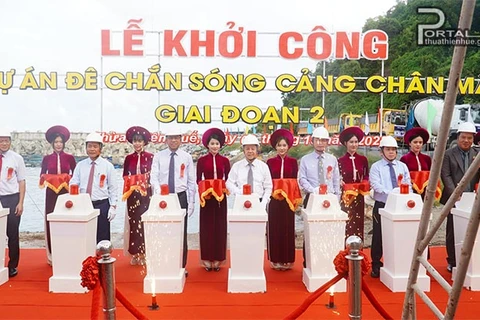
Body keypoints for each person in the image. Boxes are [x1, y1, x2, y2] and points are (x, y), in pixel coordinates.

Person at [150, 128, 196, 275]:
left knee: (181, 232)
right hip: (163, 197)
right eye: (171, 138)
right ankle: (163, 263)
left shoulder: (187, 157)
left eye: (176, 137)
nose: (173, 140)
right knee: (162, 231)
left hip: (180, 197)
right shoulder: (158, 156)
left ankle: (181, 266)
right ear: (166, 139)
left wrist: (192, 201)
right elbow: (154, 177)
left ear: (181, 139)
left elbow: (191, 181)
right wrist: (159, 194)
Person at [369, 135, 411, 278]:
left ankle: (395, 262)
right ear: (382, 151)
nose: (391, 152)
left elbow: (408, 184)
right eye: (388, 149)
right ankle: (376, 263)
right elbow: (376, 185)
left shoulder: (402, 166)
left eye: (394, 149)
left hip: (400, 205)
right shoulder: (376, 167)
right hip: (383, 204)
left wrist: (406, 196)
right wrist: (393, 194)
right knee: (378, 235)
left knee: (398, 234)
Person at [440, 122, 480, 273]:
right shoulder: (449, 154)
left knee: (472, 230)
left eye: (469, 138)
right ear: (458, 137)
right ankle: (452, 261)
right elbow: (445, 175)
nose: (466, 140)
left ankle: (472, 260)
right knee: (453, 230)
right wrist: (456, 194)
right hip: (454, 199)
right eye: (463, 137)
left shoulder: (477, 153)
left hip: (472, 200)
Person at [298, 126, 340, 267]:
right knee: (310, 231)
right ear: (312, 141)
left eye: (323, 140)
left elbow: (335, 180)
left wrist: (337, 199)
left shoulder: (332, 159)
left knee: (329, 231)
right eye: (318, 140)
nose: (320, 143)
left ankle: (327, 262)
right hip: (312, 198)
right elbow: (302, 179)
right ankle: (308, 263)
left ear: (328, 142)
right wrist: (313, 190)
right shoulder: (305, 159)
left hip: (329, 199)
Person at [70, 132, 118, 243]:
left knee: (102, 235)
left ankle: (102, 257)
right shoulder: (80, 166)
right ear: (86, 148)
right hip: (84, 204)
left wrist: (113, 207)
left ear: (100, 148)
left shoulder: (107, 166)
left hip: (102, 204)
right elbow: (73, 183)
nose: (92, 149)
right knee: (84, 235)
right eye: (89, 146)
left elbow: (113, 188)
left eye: (95, 146)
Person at [39, 125, 76, 265]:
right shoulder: (46, 158)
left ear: (64, 143)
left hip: (66, 193)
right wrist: (50, 178)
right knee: (50, 220)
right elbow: (41, 176)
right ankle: (52, 255)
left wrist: (66, 178)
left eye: (60, 142)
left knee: (66, 219)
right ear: (52, 144)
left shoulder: (70, 158)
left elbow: (76, 175)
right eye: (56, 142)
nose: (58, 144)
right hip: (51, 194)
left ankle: (67, 251)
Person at [266, 128, 302, 270]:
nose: (282, 148)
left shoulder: (293, 162)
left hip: (288, 200)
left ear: (288, 146)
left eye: (284, 145)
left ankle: (287, 259)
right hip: (274, 199)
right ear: (275, 146)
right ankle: (275, 259)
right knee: (274, 228)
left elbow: (294, 181)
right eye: (279, 145)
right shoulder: (270, 162)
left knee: (288, 228)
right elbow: (267, 181)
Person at [196, 128, 230, 272]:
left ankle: (218, 259)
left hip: (220, 198)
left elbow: (228, 179)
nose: (215, 146)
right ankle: (207, 260)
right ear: (207, 145)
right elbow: (198, 179)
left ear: (220, 145)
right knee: (207, 228)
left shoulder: (225, 161)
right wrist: (207, 188)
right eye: (212, 143)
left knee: (220, 227)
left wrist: (220, 187)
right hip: (207, 198)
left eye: (217, 143)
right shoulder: (202, 161)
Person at [122, 126, 154, 266]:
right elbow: (124, 175)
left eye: (140, 141)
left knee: (145, 221)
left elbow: (154, 175)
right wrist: (134, 181)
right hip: (133, 195)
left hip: (147, 194)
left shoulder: (151, 157)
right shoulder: (129, 158)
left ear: (145, 143)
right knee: (134, 222)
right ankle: (135, 252)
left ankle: (146, 251)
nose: (137, 144)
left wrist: (145, 179)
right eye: (135, 141)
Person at [0, 130, 26, 278]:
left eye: (6, 141)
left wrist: (20, 202)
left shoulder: (17, 158)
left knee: (12, 233)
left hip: (11, 198)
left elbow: (22, 181)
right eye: (1, 140)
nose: (4, 143)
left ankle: (12, 265)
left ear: (10, 142)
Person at [337, 126, 369, 241]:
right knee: (347, 220)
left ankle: (359, 247)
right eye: (351, 142)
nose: (354, 145)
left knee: (359, 220)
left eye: (356, 142)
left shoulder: (363, 159)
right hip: (346, 196)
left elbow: (366, 174)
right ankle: (346, 249)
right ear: (346, 143)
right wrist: (340, 182)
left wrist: (365, 181)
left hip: (359, 196)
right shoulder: (340, 161)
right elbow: (337, 177)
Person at [226, 134, 273, 209]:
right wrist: (238, 192)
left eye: (252, 149)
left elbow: (268, 187)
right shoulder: (236, 166)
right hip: (240, 201)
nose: (250, 151)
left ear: (257, 150)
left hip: (259, 201)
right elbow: (229, 183)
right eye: (247, 149)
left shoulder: (263, 167)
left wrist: (264, 202)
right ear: (243, 150)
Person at [400, 127, 441, 200]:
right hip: (411, 190)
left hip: (425, 191)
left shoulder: (427, 158)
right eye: (415, 142)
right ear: (410, 143)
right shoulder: (404, 159)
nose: (418, 145)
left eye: (420, 142)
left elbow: (431, 174)